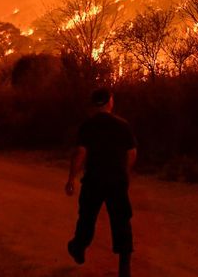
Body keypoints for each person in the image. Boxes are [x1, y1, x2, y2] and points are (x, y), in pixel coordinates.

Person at [66, 88, 137, 277]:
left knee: (87, 218)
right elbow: (132, 152)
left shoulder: (88, 126)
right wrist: (125, 174)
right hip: (117, 181)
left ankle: (78, 247)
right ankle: (124, 266)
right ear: (109, 102)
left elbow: (81, 153)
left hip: (94, 180)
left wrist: (71, 178)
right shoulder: (123, 125)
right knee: (121, 221)